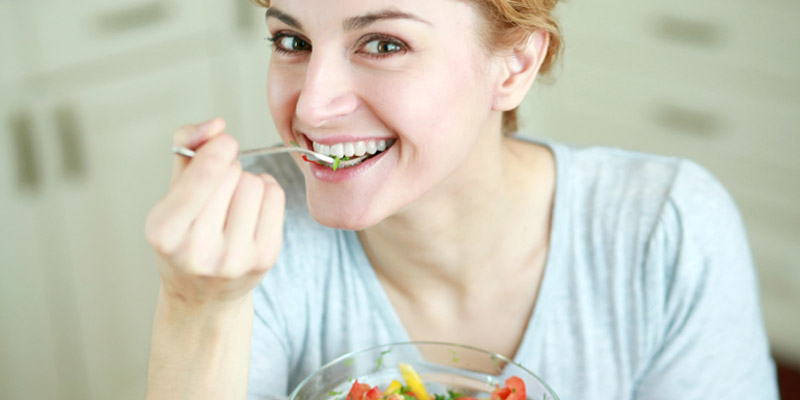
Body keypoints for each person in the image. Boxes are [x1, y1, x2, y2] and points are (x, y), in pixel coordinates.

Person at [143, 0, 779, 399]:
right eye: (292, 42)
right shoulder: (251, 246)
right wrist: (194, 306)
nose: (310, 105)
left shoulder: (666, 225)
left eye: (384, 44)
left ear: (514, 66)